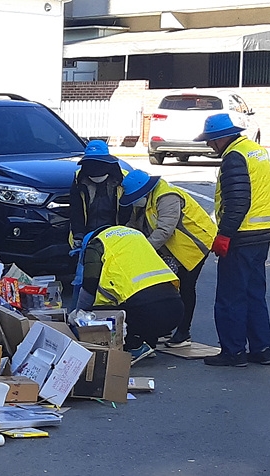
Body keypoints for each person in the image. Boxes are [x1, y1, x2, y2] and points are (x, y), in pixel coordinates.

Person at [195, 113, 270, 367]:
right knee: (254, 294)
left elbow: (238, 200)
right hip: (261, 234)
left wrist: (224, 234)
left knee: (231, 297)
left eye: (210, 140)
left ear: (221, 138)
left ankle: (233, 351)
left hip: (241, 236)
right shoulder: (256, 150)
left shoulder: (234, 157)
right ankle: (262, 349)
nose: (209, 145)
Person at [120, 170, 217, 348]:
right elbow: (134, 225)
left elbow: (164, 230)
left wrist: (142, 251)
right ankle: (166, 327)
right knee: (167, 286)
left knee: (186, 287)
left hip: (193, 246)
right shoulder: (143, 200)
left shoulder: (167, 197)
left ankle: (183, 331)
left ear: (144, 191)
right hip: (172, 248)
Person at [74, 225, 183, 364]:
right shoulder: (134, 236)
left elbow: (89, 285)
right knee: (140, 298)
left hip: (148, 312)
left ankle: (134, 346)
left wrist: (79, 315)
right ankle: (147, 342)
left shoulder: (97, 244)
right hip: (175, 308)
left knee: (96, 313)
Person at [69, 140, 131, 247]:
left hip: (115, 235)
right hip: (86, 236)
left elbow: (128, 212)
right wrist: (78, 235)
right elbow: (76, 210)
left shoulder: (123, 179)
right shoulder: (79, 180)